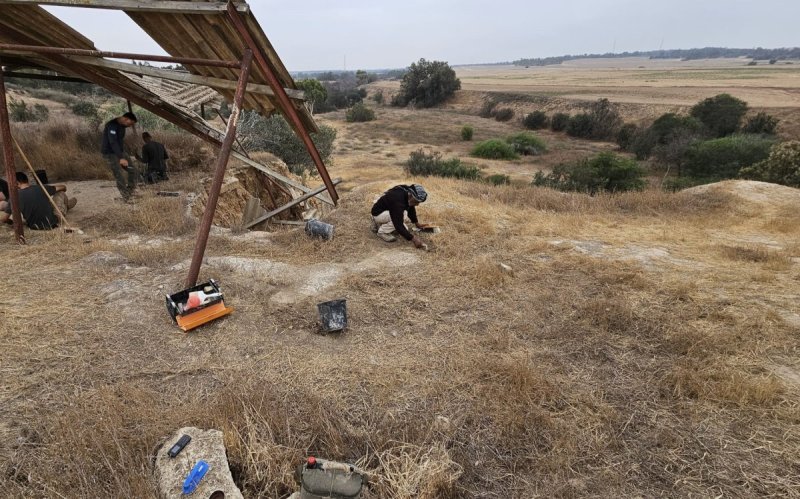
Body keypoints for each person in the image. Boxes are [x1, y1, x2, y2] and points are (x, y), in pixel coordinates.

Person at [1, 172, 77, 230]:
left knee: (45, 202)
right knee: (60, 193)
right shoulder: (41, 188)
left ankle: (66, 206)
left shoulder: (14, 197)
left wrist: (9, 221)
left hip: (33, 226)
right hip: (53, 221)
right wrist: (63, 189)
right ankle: (66, 206)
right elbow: (63, 187)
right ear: (26, 180)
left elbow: (4, 219)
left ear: (17, 183)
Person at [370, 184, 428, 248]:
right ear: (411, 195)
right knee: (401, 219)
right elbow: (398, 224)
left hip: (387, 209)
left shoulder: (407, 192)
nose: (417, 204)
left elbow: (411, 208)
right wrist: (413, 239)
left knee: (405, 228)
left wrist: (417, 223)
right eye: (416, 201)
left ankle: (380, 224)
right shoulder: (398, 201)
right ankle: (382, 232)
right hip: (378, 213)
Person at [101, 111, 138, 201]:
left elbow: (119, 141)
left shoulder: (123, 126)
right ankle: (125, 196)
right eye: (131, 123)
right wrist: (121, 158)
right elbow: (113, 142)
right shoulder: (112, 125)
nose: (130, 126)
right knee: (119, 174)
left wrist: (122, 154)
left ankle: (129, 191)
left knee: (133, 170)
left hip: (120, 152)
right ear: (126, 119)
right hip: (110, 153)